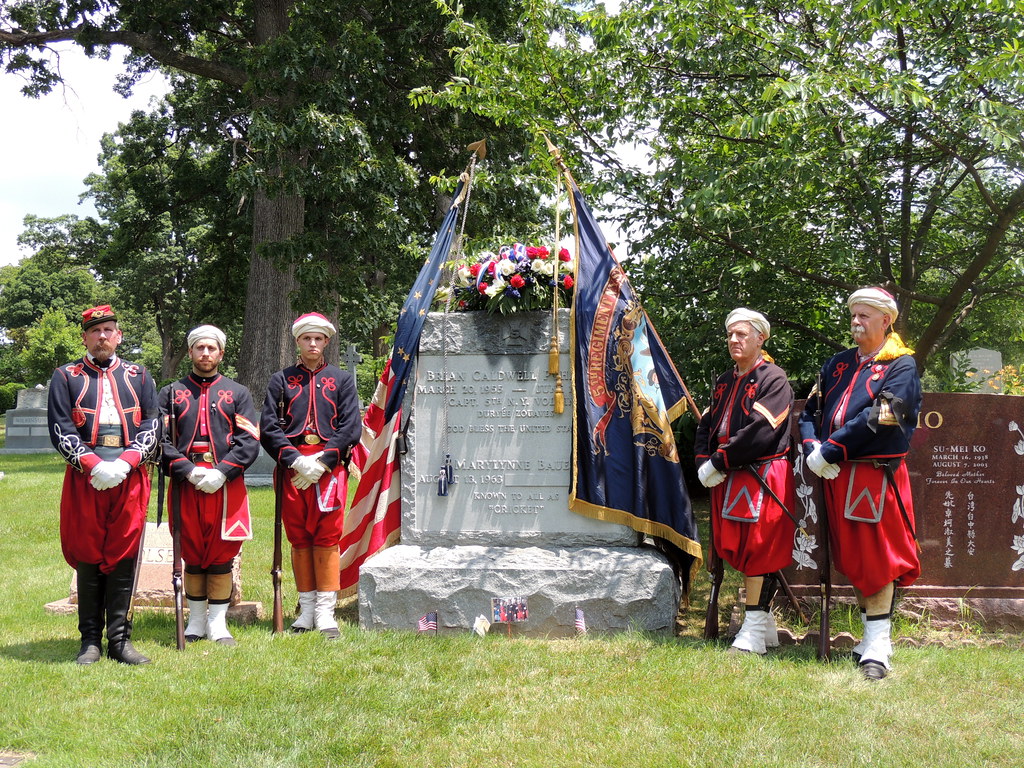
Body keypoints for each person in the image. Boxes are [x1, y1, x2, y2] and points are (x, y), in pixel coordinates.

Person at [799, 287, 922, 680]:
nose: (856, 321)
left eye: (864, 315)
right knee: (853, 559)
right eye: (853, 315)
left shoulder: (901, 366)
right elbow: (810, 410)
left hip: (872, 474)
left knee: (878, 559)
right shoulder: (836, 364)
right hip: (835, 474)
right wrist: (811, 446)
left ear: (886, 320)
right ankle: (868, 639)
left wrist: (831, 449)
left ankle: (879, 646)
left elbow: (883, 416)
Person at [47, 305, 160, 665]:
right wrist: (94, 465)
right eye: (94, 332)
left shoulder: (139, 375)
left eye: (108, 330)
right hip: (86, 477)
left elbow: (152, 425)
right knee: (88, 552)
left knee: (124, 552)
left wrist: (126, 463)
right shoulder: (65, 376)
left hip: (130, 475)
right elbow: (61, 427)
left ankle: (120, 640)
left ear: (118, 336)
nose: (102, 337)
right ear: (84, 337)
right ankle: (90, 641)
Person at [695, 308, 795, 655]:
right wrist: (702, 461)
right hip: (729, 477)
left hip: (761, 476)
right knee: (736, 550)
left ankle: (752, 633)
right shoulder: (724, 380)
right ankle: (763, 626)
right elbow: (707, 426)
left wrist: (719, 460)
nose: (734, 340)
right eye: (730, 335)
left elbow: (761, 432)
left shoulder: (774, 379)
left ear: (760, 338)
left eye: (742, 334)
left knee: (760, 551)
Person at [261, 312, 361, 639]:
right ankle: (305, 608)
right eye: (307, 339)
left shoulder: (342, 380)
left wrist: (323, 462)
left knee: (327, 536)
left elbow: (350, 427)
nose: (313, 344)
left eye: (318, 339)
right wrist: (295, 461)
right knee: (299, 536)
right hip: (293, 469)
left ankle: (325, 611)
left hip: (329, 468)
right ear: (298, 342)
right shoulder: (281, 380)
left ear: (327, 342)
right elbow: (269, 428)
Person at [159, 325, 260, 646]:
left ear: (221, 353)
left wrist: (221, 472)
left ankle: (217, 622)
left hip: (225, 487)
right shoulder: (171, 392)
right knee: (191, 552)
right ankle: (197, 619)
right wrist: (187, 469)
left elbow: (249, 441)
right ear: (190, 352)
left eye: (211, 348)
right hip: (185, 484)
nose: (205, 353)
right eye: (199, 348)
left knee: (220, 555)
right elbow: (158, 441)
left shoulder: (238, 393)